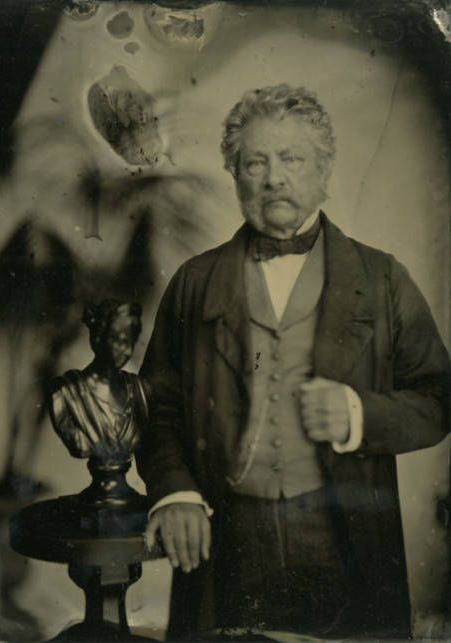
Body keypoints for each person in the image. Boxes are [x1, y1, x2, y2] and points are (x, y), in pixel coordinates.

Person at [136, 84, 451, 639]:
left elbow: (438, 398)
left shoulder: (381, 279)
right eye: (255, 161)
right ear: (235, 175)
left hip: (344, 536)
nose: (273, 177)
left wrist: (359, 414)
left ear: (323, 170)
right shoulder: (194, 281)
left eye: (291, 158)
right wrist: (175, 490)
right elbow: (155, 406)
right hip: (228, 536)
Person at [49, 300, 148, 485]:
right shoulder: (65, 392)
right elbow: (79, 445)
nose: (126, 349)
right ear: (98, 337)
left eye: (131, 340)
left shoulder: (139, 390)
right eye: (119, 340)